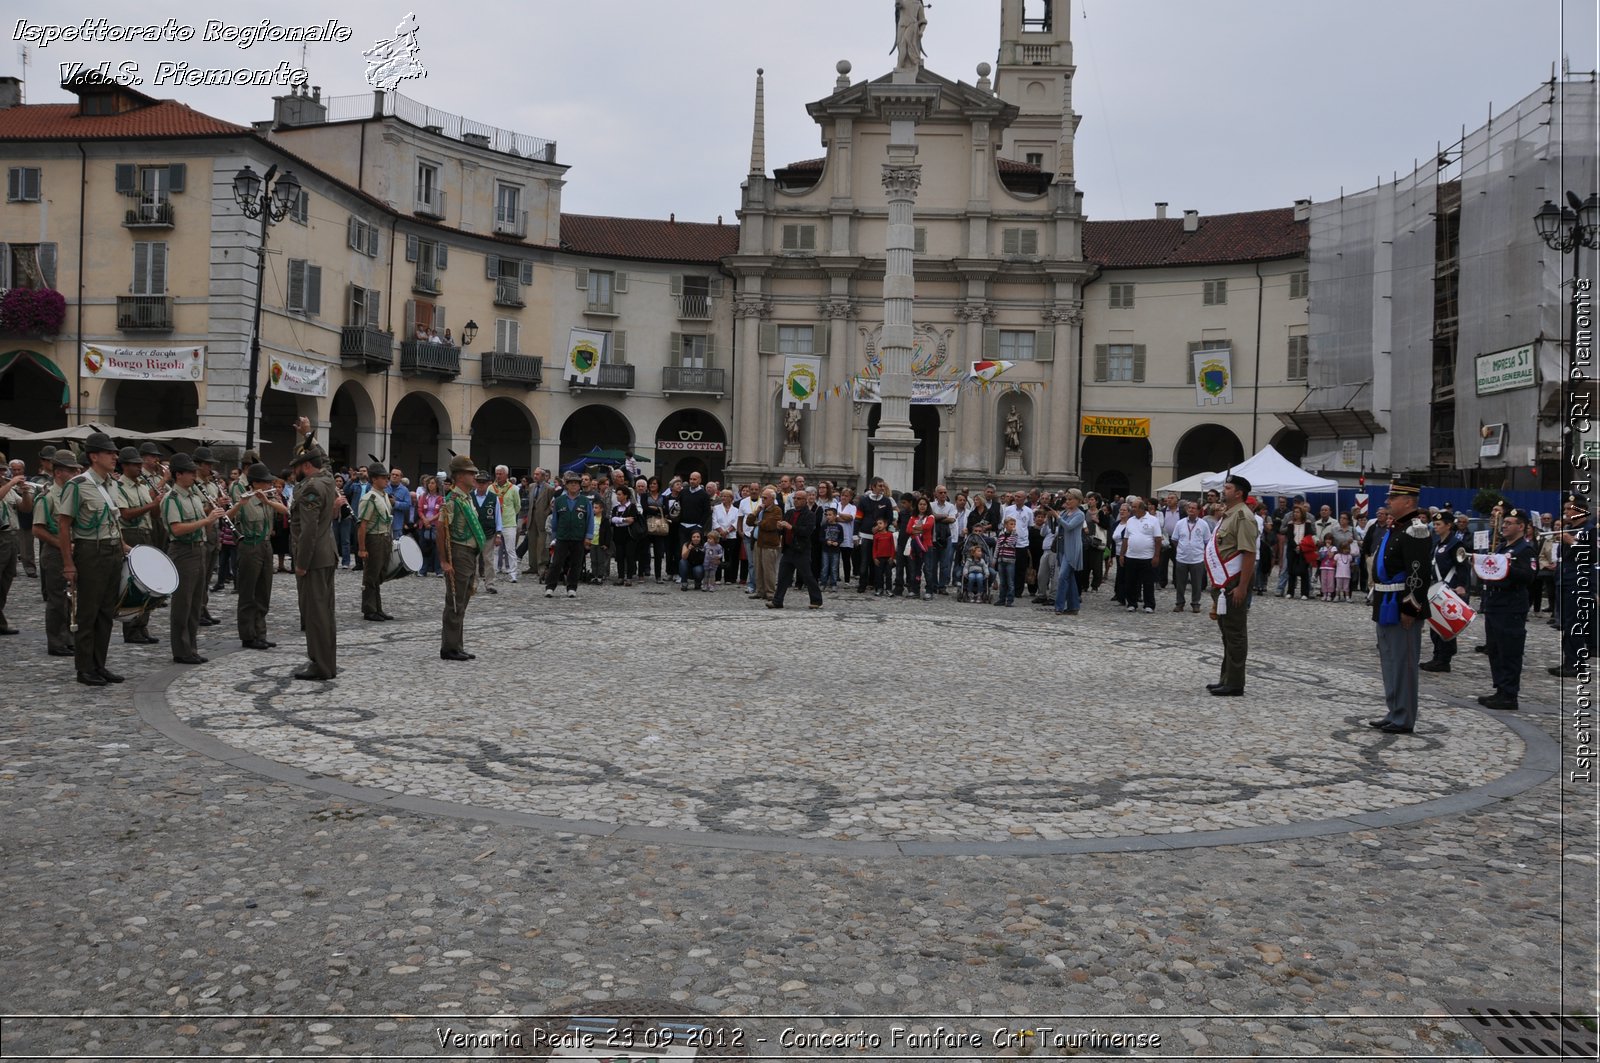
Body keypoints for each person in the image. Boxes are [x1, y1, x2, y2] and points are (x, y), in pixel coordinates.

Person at [55, 433, 130, 685]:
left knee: (106, 612)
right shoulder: (78, 485)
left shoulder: (112, 485)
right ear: (94, 456)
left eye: (115, 453)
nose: (115, 457)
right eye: (110, 453)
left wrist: (123, 546)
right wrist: (68, 564)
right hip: (90, 551)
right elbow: (64, 526)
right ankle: (84, 667)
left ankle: (100, 664)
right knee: (88, 612)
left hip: (111, 551)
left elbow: (114, 522)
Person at [1366, 480, 1431, 734]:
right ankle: (1394, 710)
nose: (1387, 501)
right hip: (1385, 602)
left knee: (1403, 662)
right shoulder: (1397, 528)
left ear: (1408, 502)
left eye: (1393, 498)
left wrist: (1411, 608)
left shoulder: (1416, 530)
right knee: (1390, 660)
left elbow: (1418, 573)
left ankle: (1404, 716)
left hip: (1401, 605)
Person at [163, 453, 231, 665]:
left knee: (195, 602)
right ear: (178, 474)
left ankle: (191, 646)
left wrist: (214, 511)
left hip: (198, 549)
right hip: (182, 550)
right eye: (190, 472)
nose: (194, 476)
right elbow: (177, 528)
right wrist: (206, 520)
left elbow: (204, 522)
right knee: (182, 602)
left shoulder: (192, 496)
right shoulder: (171, 499)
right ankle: (181, 649)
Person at [1477, 507, 1538, 712]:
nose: (1504, 525)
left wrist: (1507, 568)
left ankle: (1509, 694)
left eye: (1509, 523)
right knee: (1495, 650)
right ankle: (1500, 689)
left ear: (1521, 526)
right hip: (1495, 604)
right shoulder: (1502, 546)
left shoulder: (1525, 549)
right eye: (1504, 523)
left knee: (1509, 651)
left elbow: (1529, 576)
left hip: (1510, 607)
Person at [1204, 474, 1258, 697]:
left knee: (1235, 632)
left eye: (1227, 488)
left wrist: (1242, 587)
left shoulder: (1243, 516)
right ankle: (1226, 677)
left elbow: (1248, 553)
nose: (1223, 491)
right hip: (1225, 581)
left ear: (1239, 493)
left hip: (1235, 581)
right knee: (1226, 632)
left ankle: (1235, 683)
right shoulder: (1228, 515)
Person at [289, 445, 339, 682]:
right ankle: (328, 662)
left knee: (315, 612)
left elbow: (308, 530)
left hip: (315, 557)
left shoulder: (312, 487)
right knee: (325, 611)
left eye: (298, 466)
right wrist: (310, 436)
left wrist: (301, 563)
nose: (296, 471)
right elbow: (326, 464)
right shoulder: (327, 480)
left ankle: (320, 664)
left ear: (307, 466)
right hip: (327, 554)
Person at [112, 446, 162, 645]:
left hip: (147, 532)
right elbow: (125, 514)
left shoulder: (143, 486)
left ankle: (143, 625)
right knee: (134, 584)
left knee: (148, 582)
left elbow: (154, 515)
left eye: (140, 464)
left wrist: (158, 503)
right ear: (124, 466)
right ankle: (131, 629)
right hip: (131, 534)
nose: (139, 468)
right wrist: (151, 504)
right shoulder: (119, 487)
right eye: (135, 465)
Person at [234, 464, 287, 651]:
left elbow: (285, 511)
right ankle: (248, 635)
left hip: (266, 545)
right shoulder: (244, 499)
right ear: (255, 483)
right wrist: (240, 503)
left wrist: (268, 501)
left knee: (264, 591)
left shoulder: (268, 497)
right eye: (265, 482)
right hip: (250, 545)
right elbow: (227, 516)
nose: (269, 484)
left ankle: (260, 632)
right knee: (249, 592)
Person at [32, 449, 79, 656]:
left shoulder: (71, 493)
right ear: (59, 472)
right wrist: (61, 545)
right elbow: (37, 529)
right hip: (54, 553)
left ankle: (68, 637)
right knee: (57, 599)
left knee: (70, 598)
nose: (76, 473)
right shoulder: (48, 497)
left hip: (71, 550)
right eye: (71, 470)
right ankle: (56, 642)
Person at [438, 455, 485, 660]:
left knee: (463, 600)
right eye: (470, 473)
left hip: (469, 553)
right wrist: (445, 561)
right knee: (455, 601)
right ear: (459, 476)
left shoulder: (466, 498)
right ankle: (449, 647)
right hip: (458, 552)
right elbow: (441, 530)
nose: (474, 475)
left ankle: (457, 644)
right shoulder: (453, 500)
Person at [1552, 493, 1595, 677]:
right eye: (1565, 510)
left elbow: (1592, 557)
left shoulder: (1590, 530)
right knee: (1567, 623)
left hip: (1580, 582)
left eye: (1569, 509)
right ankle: (1569, 660)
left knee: (1575, 624)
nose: (1566, 513)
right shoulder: (1569, 529)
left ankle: (1576, 663)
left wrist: (1573, 543)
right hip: (1566, 580)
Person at [1420, 512, 1469, 674]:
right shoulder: (1436, 543)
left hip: (1450, 588)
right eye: (1434, 524)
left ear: (1448, 525)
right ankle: (1437, 656)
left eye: (1439, 524)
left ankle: (1444, 659)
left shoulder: (1456, 544)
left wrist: (1462, 585)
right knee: (1436, 624)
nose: (1436, 527)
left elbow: (1463, 566)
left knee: (1447, 624)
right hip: (1437, 587)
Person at [769, 488, 824, 609]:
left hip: (801, 550)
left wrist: (790, 527)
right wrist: (780, 527)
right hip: (788, 549)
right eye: (794, 498)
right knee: (783, 577)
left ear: (805, 500)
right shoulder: (790, 513)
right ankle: (777, 601)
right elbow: (785, 529)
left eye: (799, 499)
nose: (796, 501)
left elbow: (806, 531)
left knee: (807, 576)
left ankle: (816, 600)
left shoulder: (810, 515)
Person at [544, 473, 593, 598]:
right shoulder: (559, 501)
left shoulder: (585, 501)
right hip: (562, 536)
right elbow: (555, 519)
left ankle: (572, 587)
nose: (573, 485)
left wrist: (588, 536)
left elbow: (590, 519)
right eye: (571, 483)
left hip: (578, 537)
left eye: (576, 483)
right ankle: (550, 586)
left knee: (576, 564)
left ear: (579, 486)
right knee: (556, 563)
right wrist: (553, 537)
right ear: (566, 485)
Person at [358, 467, 395, 621]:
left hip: (384, 537)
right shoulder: (369, 498)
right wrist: (362, 548)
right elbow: (362, 525)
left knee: (380, 573)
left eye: (387, 477)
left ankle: (377, 607)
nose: (387, 480)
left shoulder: (384, 496)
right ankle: (369, 609)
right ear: (374, 479)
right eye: (383, 477)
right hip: (374, 538)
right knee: (371, 575)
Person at [1119, 496, 1163, 613]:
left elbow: (1158, 539)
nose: (1132, 509)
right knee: (1130, 582)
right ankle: (1132, 603)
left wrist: (1156, 556)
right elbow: (1126, 539)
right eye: (1132, 507)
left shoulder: (1153, 520)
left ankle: (1149, 604)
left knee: (1148, 582)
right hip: (1131, 556)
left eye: (1134, 507)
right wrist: (1122, 555)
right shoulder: (1130, 521)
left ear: (1142, 508)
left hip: (1147, 557)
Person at [1170, 500, 1211, 613]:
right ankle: (1180, 603)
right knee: (1180, 583)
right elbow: (1174, 539)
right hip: (1182, 558)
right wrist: (1182, 548)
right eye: (1189, 508)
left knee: (1197, 583)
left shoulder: (1203, 524)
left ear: (1198, 510)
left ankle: (1195, 603)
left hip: (1197, 559)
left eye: (1194, 508)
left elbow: (1207, 541)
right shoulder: (1180, 523)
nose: (1191, 510)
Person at [1051, 488, 1087, 616]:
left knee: (1062, 577)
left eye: (1071, 499)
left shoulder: (1080, 514)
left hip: (1072, 549)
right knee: (1069, 578)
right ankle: (1073, 606)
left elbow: (1069, 526)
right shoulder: (1066, 512)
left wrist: (1058, 517)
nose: (1068, 501)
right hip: (1062, 547)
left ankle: (1059, 606)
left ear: (1078, 500)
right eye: (1067, 499)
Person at [749, 487, 783, 600]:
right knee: (758, 569)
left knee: (769, 570)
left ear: (772, 499)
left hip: (769, 544)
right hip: (758, 542)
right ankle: (760, 591)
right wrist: (756, 511)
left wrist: (759, 523)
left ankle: (770, 592)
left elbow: (771, 525)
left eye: (765, 498)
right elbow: (749, 522)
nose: (762, 500)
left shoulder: (777, 510)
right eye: (762, 497)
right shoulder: (761, 509)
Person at [489, 464, 520, 584]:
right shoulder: (491, 488)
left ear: (506, 474)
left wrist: (510, 514)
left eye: (500, 473)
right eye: (497, 473)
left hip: (508, 522)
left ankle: (513, 574)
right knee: (495, 550)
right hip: (494, 523)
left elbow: (517, 506)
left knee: (510, 549)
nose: (498, 476)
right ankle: (494, 572)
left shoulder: (514, 489)